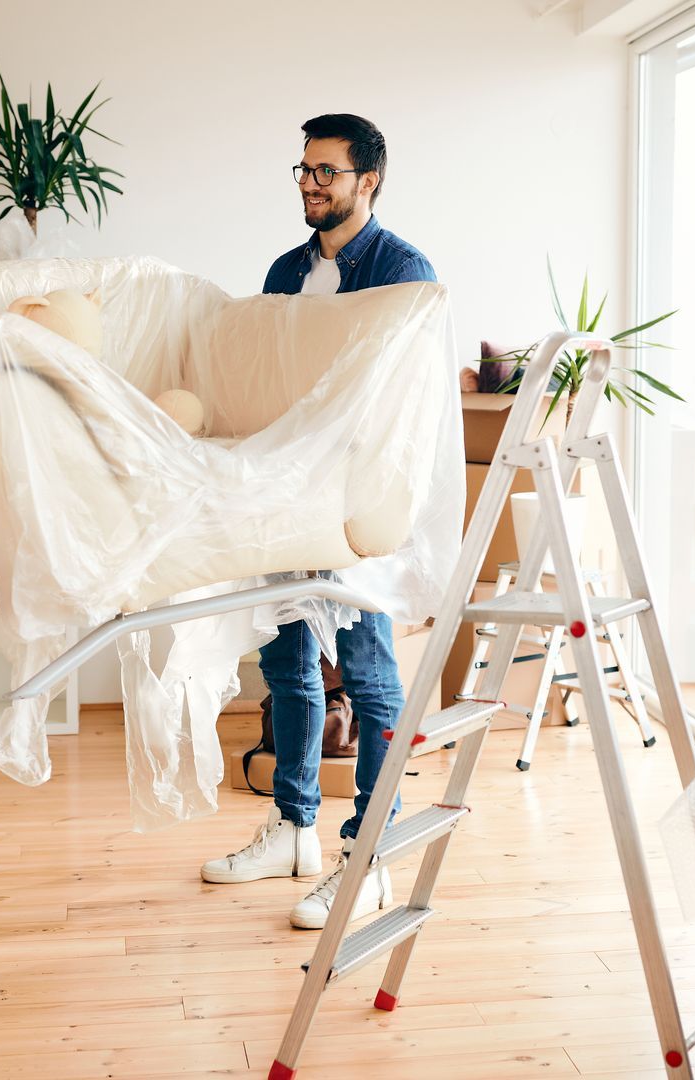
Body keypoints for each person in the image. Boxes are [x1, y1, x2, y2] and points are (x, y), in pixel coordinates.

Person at [201, 114, 438, 930]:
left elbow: (398, 404)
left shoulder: (404, 271)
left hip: (358, 504)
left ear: (368, 180)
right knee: (289, 662)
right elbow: (263, 376)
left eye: (326, 172)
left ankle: (365, 853)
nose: (310, 183)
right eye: (303, 169)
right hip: (286, 493)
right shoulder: (283, 270)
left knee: (368, 673)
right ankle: (294, 828)